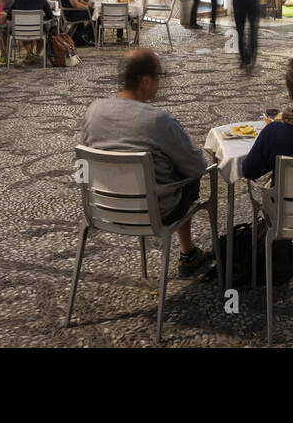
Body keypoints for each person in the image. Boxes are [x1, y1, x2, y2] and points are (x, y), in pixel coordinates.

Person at [80, 49, 211, 276]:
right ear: (145, 81)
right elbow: (197, 166)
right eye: (159, 76)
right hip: (155, 211)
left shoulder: (94, 110)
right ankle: (188, 253)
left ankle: (188, 253)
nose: (160, 82)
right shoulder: (158, 120)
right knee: (184, 175)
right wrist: (188, 144)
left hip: (100, 209)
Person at [5, 0, 55, 64]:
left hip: (20, 31)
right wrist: (40, 19)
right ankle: (37, 54)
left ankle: (29, 53)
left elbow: (9, 16)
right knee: (43, 30)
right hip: (38, 30)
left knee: (22, 29)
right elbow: (50, 16)